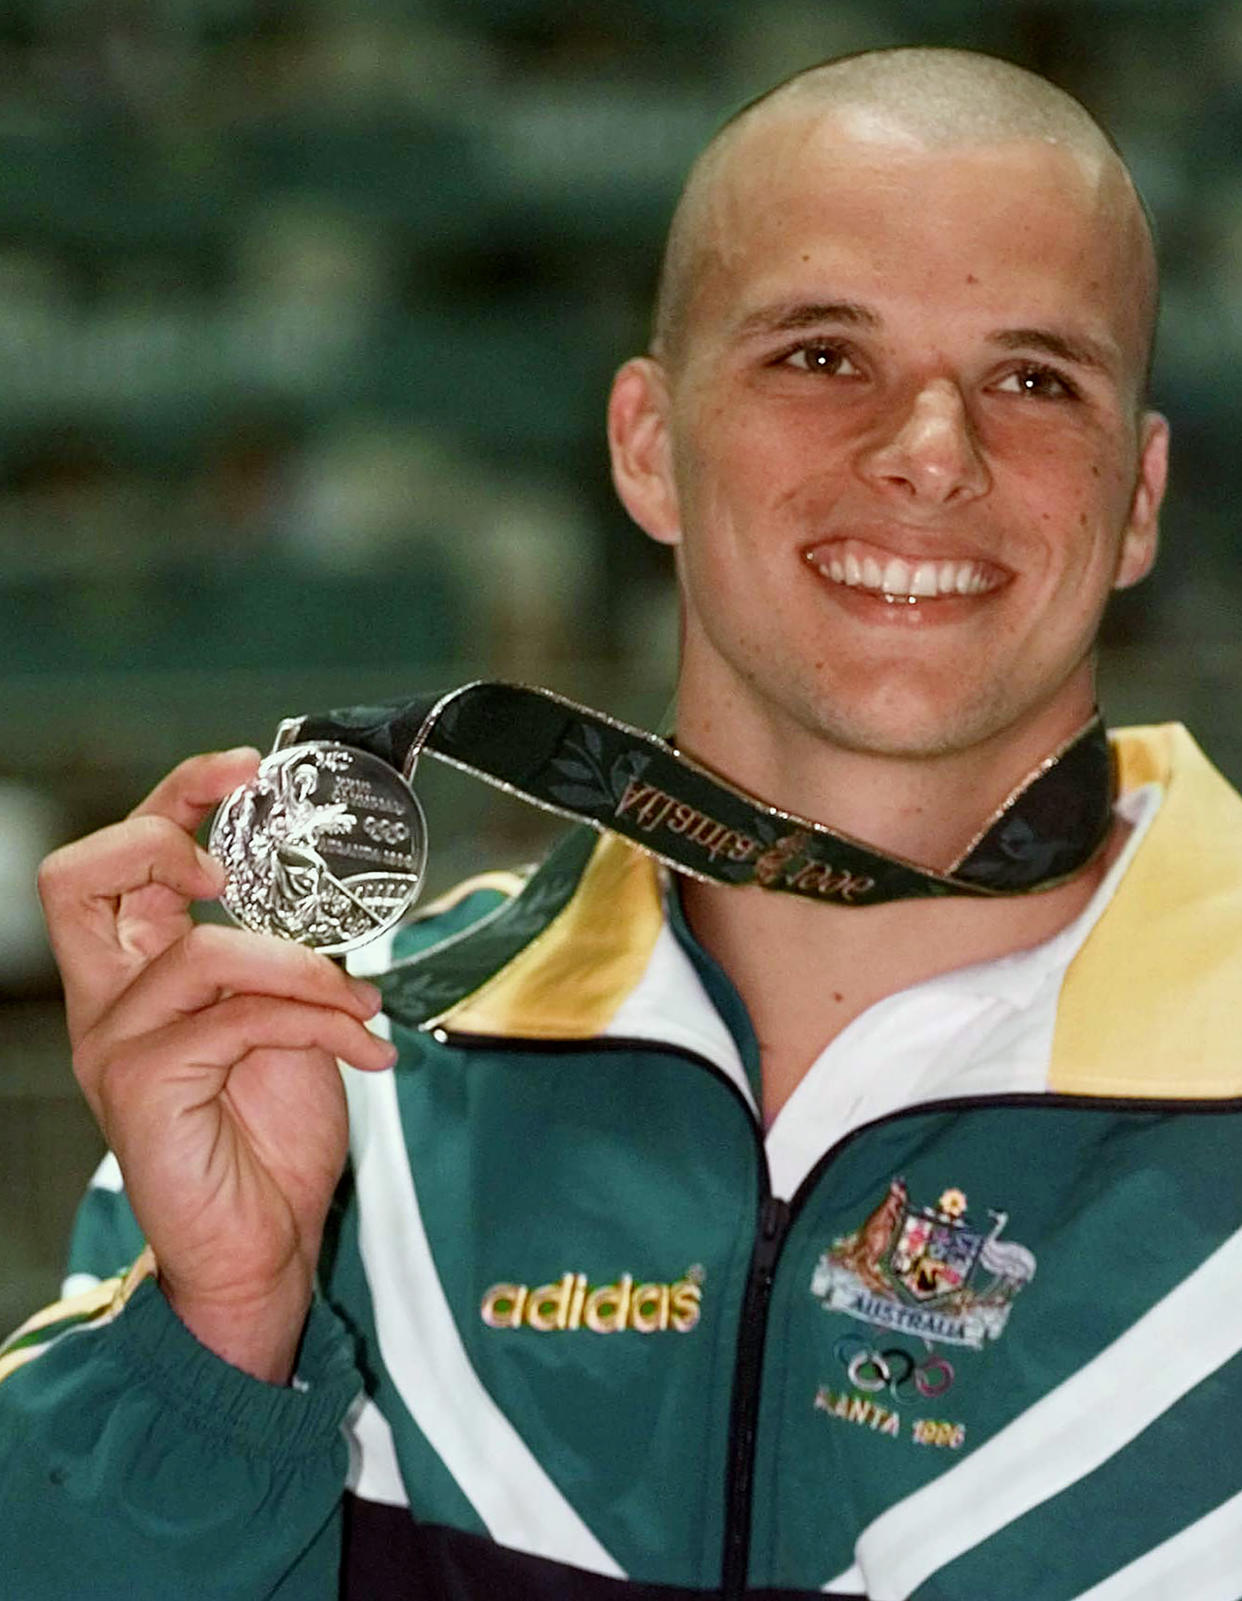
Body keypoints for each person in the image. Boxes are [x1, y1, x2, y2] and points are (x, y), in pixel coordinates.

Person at [2, 44, 1239, 1601]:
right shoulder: (321, 1077)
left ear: (1136, 498)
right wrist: (223, 1341)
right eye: (818, 355)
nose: (932, 451)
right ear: (647, 444)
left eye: (1031, 378)